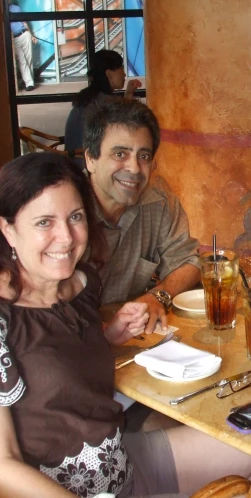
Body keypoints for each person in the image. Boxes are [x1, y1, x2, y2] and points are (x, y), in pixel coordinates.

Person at [0, 153, 251, 498]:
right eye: (43, 222)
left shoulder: (77, 285)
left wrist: (109, 335)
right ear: (6, 229)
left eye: (76, 217)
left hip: (114, 463)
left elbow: (50, 356)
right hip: (56, 488)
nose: (66, 237)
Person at [84, 98, 201, 335]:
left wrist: (157, 295)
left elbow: (189, 262)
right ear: (91, 160)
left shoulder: (158, 201)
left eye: (144, 156)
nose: (135, 168)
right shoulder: (65, 213)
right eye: (120, 154)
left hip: (131, 339)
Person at [64, 49, 142, 158]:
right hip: (87, 165)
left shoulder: (89, 97)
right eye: (120, 67)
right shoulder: (106, 102)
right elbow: (125, 127)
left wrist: (128, 93)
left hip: (74, 161)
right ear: (109, 74)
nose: (124, 74)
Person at [8, 0, 36, 92]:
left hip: (24, 34)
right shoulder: (2, 11)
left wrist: (31, 35)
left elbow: (24, 22)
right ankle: (29, 83)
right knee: (22, 60)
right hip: (14, 39)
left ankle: (30, 81)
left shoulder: (16, 8)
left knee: (29, 58)